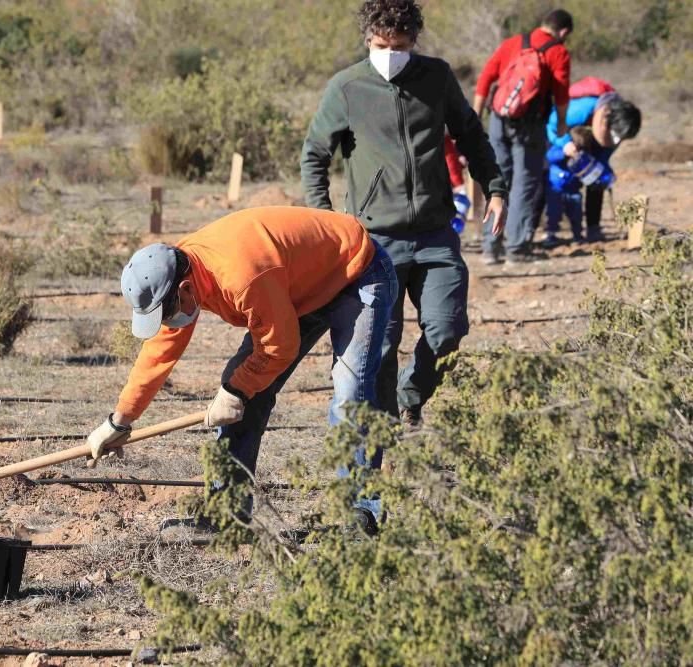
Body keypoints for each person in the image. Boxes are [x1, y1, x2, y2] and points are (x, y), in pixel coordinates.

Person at [86, 206, 398, 533]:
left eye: (165, 314)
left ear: (185, 290)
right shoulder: (180, 276)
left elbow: (279, 346)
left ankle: (360, 516)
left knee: (350, 392)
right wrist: (120, 420)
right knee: (244, 394)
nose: (167, 323)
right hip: (296, 285)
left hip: (357, 270)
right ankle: (228, 515)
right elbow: (158, 354)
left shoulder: (240, 275)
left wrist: (235, 391)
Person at [301, 0, 507, 427]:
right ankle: (386, 435)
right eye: (381, 45)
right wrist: (327, 223)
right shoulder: (346, 87)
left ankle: (412, 394)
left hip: (435, 232)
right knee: (380, 344)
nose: (391, 54)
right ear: (367, 40)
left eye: (401, 45)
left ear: (415, 40)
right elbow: (314, 156)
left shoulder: (436, 77)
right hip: (375, 242)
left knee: (448, 330)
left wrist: (496, 188)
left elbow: (469, 132)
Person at [473, 9, 573, 263]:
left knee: (497, 179)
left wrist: (475, 116)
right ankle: (516, 249)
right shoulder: (558, 52)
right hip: (530, 125)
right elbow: (561, 93)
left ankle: (489, 248)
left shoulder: (513, 43)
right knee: (524, 184)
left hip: (498, 119)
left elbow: (486, 79)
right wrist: (561, 123)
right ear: (563, 32)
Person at [543, 86, 641, 244]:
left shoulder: (618, 130)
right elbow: (552, 125)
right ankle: (536, 228)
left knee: (597, 182)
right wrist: (564, 144)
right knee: (546, 184)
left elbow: (605, 154)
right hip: (562, 141)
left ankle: (593, 228)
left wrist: (603, 173)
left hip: (588, 145)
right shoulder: (582, 109)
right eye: (616, 135)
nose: (617, 141)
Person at [543, 126, 613, 245]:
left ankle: (577, 234)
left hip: (573, 189)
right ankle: (551, 235)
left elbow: (595, 168)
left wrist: (606, 179)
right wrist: (564, 154)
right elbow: (550, 157)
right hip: (555, 189)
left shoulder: (584, 155)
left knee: (576, 214)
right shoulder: (559, 148)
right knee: (553, 213)